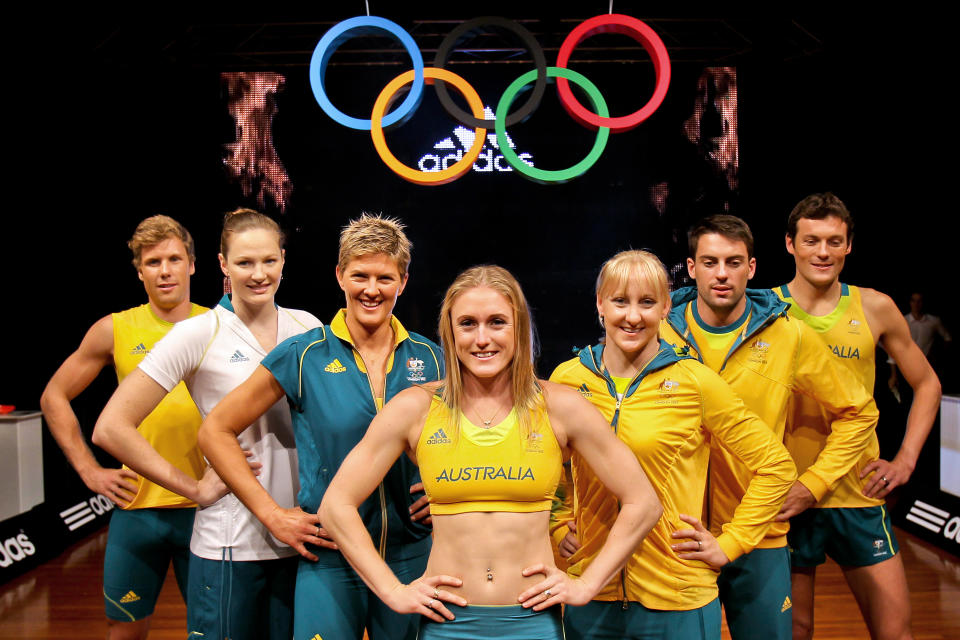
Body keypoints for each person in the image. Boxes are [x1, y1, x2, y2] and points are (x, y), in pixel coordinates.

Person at [319, 264, 662, 640]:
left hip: (532, 623)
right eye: (468, 324)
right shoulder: (414, 408)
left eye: (497, 322)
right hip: (446, 624)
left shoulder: (560, 407)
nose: (482, 338)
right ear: (450, 332)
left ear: (519, 329)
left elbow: (643, 502)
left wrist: (586, 585)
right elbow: (336, 506)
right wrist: (393, 591)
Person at [198, 214, 441, 640]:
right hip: (330, 560)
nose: (371, 289)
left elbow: (477, 437)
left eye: (385, 277)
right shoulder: (303, 354)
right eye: (359, 275)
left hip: (413, 556)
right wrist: (271, 515)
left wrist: (449, 496)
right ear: (339, 276)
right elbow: (214, 430)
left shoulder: (434, 358)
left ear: (403, 281)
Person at [92, 209, 321, 639]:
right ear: (222, 265)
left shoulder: (307, 327)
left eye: (269, 261)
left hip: (298, 537)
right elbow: (111, 427)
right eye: (245, 263)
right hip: (229, 543)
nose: (258, 274)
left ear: (284, 260)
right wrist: (193, 488)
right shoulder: (198, 332)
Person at [552, 249, 797, 640]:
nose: (633, 316)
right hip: (591, 591)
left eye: (647, 302)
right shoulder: (567, 379)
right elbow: (548, 466)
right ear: (599, 303)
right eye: (620, 301)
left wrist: (730, 542)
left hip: (676, 596)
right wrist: (556, 523)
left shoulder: (695, 382)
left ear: (666, 307)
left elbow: (776, 466)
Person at [658, 216, 878, 640]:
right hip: (676, 535)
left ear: (752, 268)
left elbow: (859, 411)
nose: (722, 273)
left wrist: (813, 483)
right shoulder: (660, 331)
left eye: (733, 262)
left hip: (759, 531)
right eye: (710, 261)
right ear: (691, 267)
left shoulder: (788, 335)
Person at [777, 192, 942, 640]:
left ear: (849, 245)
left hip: (858, 492)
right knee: (797, 631)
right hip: (788, 497)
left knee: (895, 633)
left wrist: (905, 459)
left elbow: (928, 384)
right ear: (790, 244)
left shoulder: (874, 306)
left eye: (834, 241)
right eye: (812, 241)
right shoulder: (764, 310)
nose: (823, 252)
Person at [40, 215, 208, 640]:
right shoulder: (114, 329)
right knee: (125, 628)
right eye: (153, 262)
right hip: (138, 509)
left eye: (174, 258)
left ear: (192, 264)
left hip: (208, 510)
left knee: (215, 629)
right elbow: (53, 397)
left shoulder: (222, 325)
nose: (165, 270)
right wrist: (88, 470)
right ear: (139, 271)